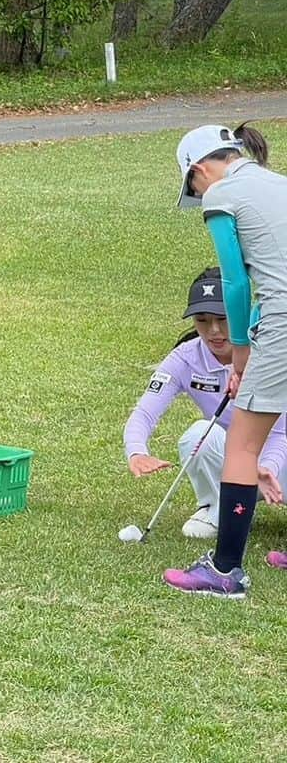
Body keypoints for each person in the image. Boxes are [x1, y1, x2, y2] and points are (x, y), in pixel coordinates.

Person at [163, 123, 287, 598]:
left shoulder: (221, 196)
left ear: (199, 170)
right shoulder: (277, 183)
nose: (197, 194)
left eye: (192, 186)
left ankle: (225, 572)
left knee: (241, 445)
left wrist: (241, 351)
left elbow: (235, 284)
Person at [124, 267, 287, 539]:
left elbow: (282, 431)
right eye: (202, 320)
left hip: (279, 462)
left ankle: (243, 498)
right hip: (238, 459)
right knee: (198, 435)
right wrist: (137, 452)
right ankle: (220, 509)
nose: (214, 331)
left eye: (223, 319)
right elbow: (144, 412)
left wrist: (266, 467)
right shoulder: (185, 357)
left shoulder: (270, 355)